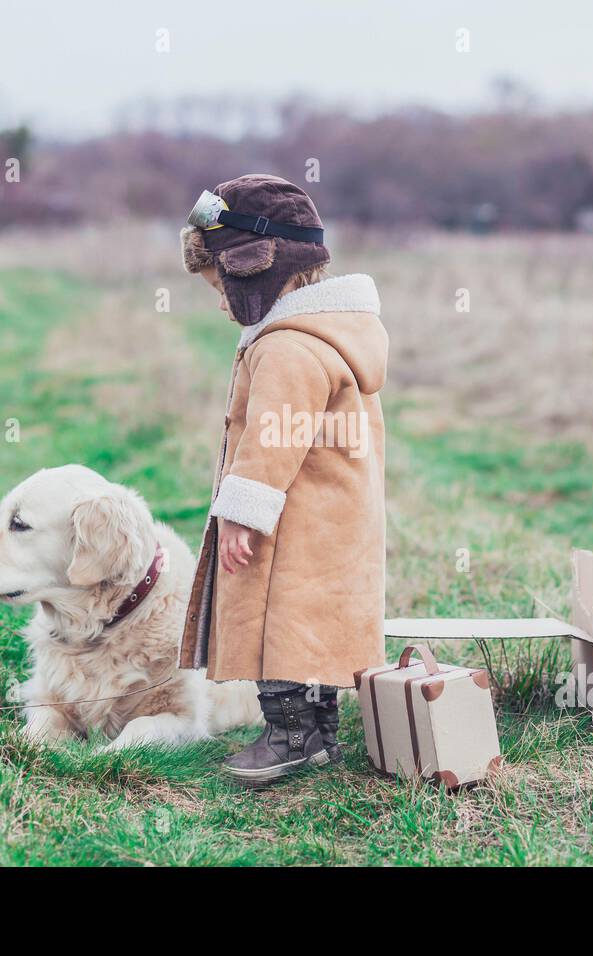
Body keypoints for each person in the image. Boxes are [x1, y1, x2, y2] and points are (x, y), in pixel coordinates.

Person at [177, 173, 389, 785]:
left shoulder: (288, 348)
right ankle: (321, 734)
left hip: (292, 518)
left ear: (255, 272)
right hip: (336, 514)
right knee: (317, 625)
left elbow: (273, 438)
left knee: (284, 624)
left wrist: (242, 512)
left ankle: (289, 736)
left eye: (220, 286)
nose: (220, 302)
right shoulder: (337, 334)